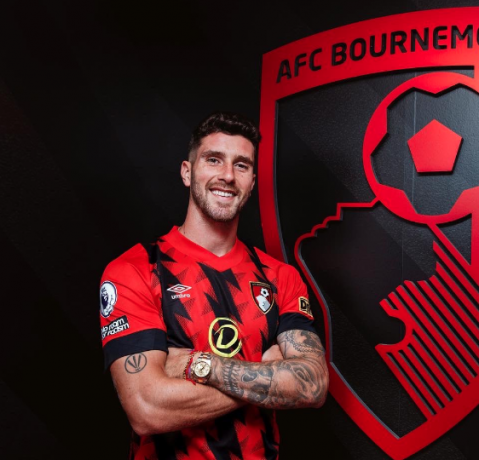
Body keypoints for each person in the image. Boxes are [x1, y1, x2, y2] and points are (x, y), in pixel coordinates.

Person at [99, 112, 329, 460]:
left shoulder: (280, 277)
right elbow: (147, 409)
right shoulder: (135, 270)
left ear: (252, 181)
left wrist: (198, 364)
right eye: (213, 160)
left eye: (241, 165)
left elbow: (313, 385)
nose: (228, 175)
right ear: (187, 172)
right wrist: (270, 373)